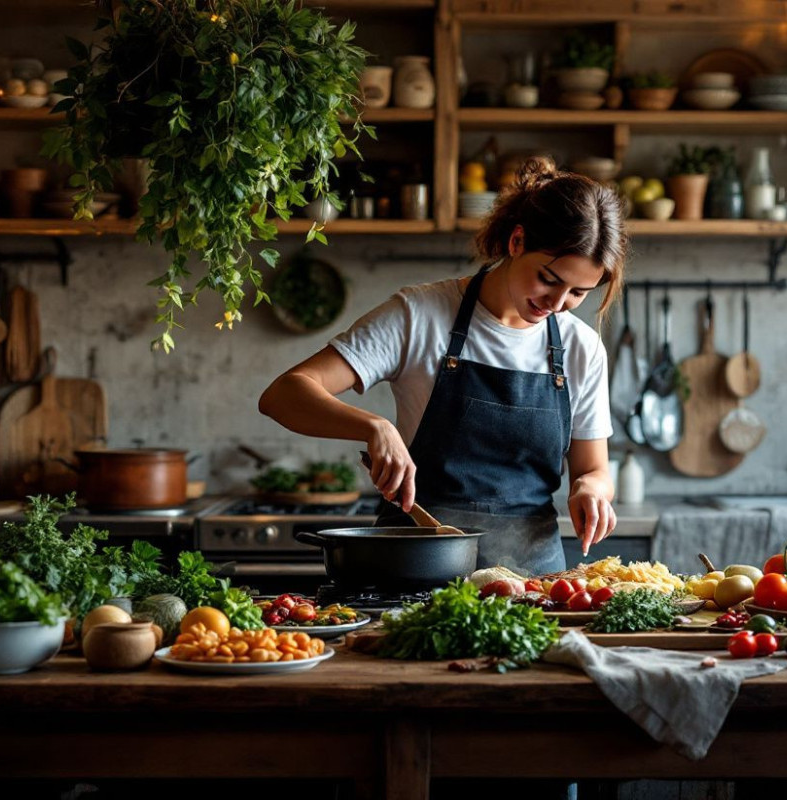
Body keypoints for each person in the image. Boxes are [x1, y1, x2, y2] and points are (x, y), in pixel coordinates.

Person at [258, 156, 627, 575]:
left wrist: (591, 489)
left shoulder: (581, 348)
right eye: (549, 279)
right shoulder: (420, 314)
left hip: (534, 582)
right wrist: (374, 427)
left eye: (578, 293)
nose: (557, 304)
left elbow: (593, 468)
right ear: (517, 242)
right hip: (415, 570)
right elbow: (284, 394)